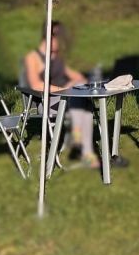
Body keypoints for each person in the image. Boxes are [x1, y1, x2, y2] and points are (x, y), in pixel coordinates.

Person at [24, 21, 99, 169]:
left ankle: (82, 144)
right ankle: (84, 148)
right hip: (48, 102)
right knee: (83, 103)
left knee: (81, 97)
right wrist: (63, 89)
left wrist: (81, 81)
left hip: (67, 98)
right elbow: (36, 85)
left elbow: (74, 75)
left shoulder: (57, 57)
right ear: (46, 36)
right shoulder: (33, 57)